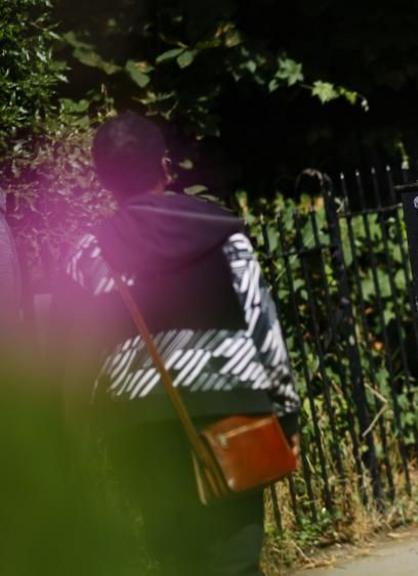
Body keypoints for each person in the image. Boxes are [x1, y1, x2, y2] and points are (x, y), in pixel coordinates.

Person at [55, 112, 300, 575]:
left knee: (173, 559)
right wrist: (286, 416)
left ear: (104, 179)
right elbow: (264, 327)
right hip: (233, 413)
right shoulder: (225, 232)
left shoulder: (89, 253)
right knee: (238, 559)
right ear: (164, 165)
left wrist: (76, 441)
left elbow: (79, 357)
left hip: (142, 424)